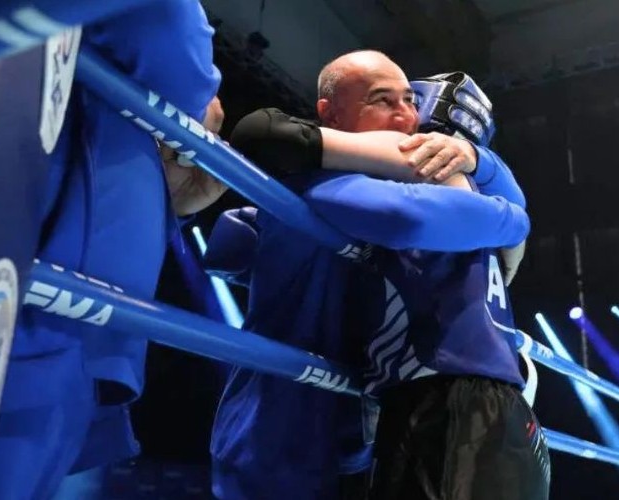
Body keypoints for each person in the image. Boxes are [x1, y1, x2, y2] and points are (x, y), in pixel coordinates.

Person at [209, 50, 547, 500]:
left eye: (410, 100)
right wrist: (509, 213)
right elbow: (423, 217)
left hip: (355, 427)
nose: (406, 116)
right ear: (331, 114)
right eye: (382, 100)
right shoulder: (315, 181)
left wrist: (476, 158)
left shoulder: (372, 185)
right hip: (280, 427)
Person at [0, 2, 222, 498]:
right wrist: (200, 109)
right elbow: (172, 44)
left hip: (58, 303)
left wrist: (171, 205)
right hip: (39, 309)